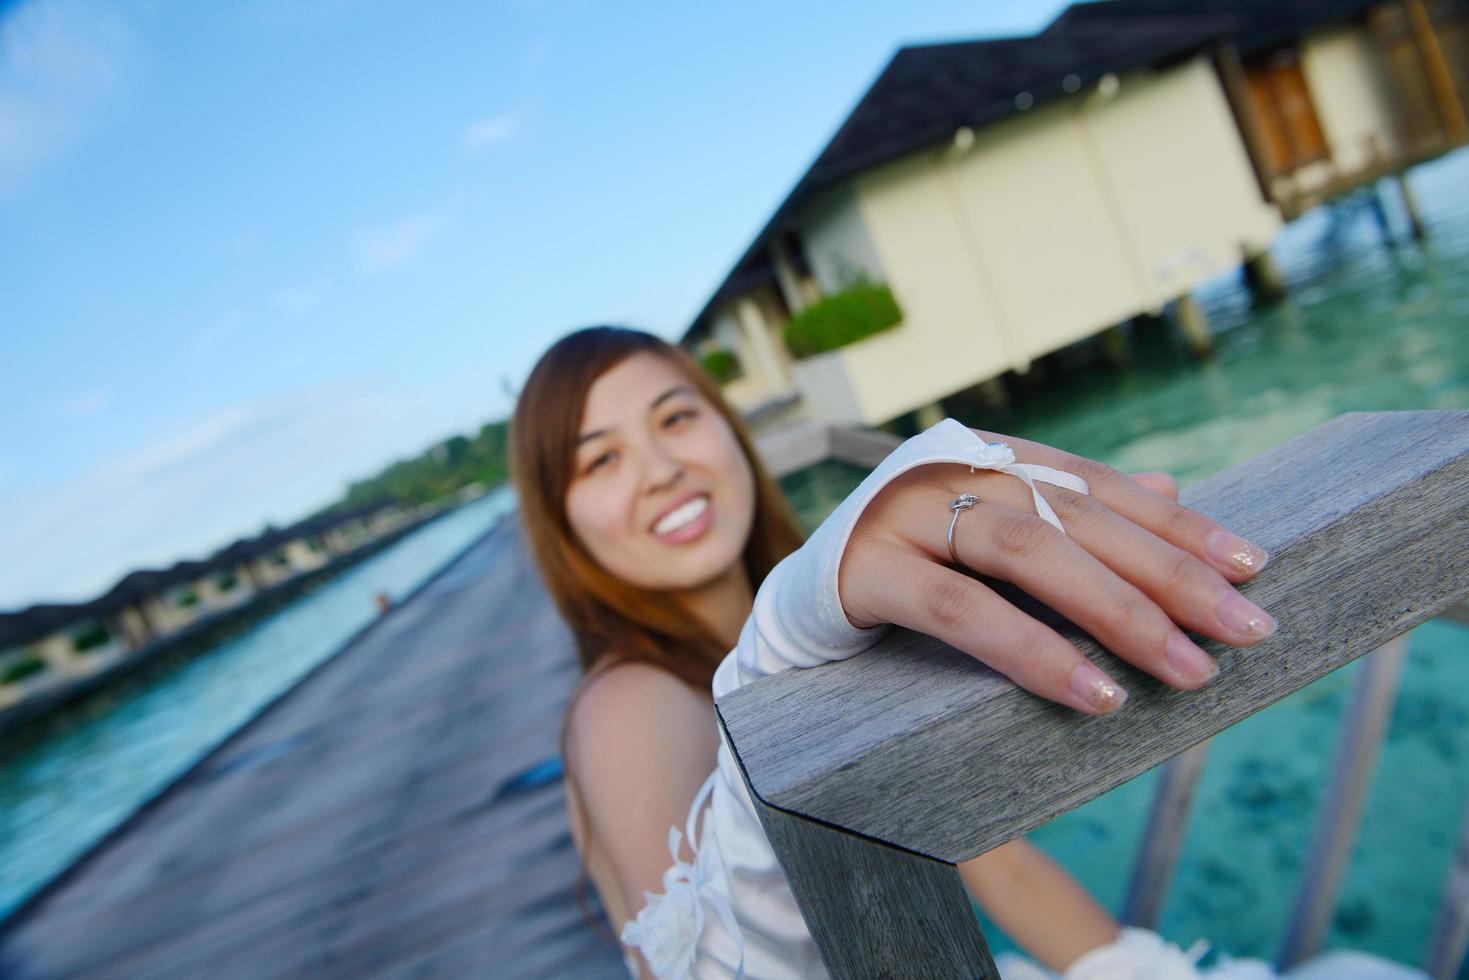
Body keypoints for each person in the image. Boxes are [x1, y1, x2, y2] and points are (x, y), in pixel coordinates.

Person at [509, 327, 1415, 980]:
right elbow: (710, 966)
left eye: (675, 419)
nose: (659, 468)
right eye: (599, 462)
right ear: (559, 520)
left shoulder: (841, 639)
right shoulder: (629, 703)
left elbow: (999, 864)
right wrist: (789, 621)